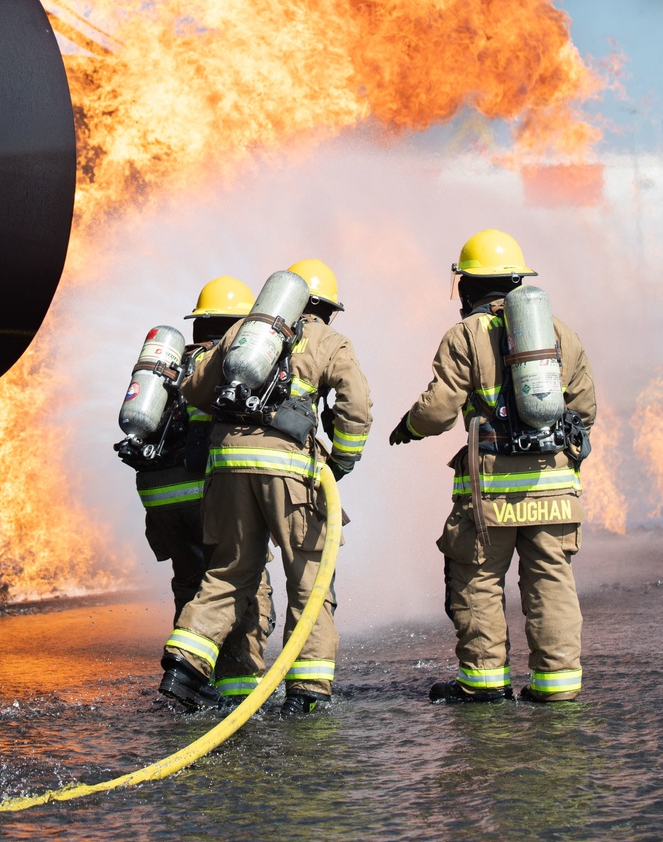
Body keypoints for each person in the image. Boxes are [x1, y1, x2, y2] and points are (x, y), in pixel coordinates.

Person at [389, 229, 596, 704]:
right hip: (553, 489)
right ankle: (557, 685)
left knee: (477, 581)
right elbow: (585, 412)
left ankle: (484, 685)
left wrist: (409, 427)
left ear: (465, 287)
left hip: (492, 496)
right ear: (517, 280)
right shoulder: (561, 333)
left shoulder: (464, 336)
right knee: (551, 583)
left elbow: (439, 410)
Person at [159, 259, 373, 717]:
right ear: (323, 307)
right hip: (290, 472)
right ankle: (307, 691)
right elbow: (357, 407)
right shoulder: (330, 340)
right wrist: (341, 461)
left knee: (229, 572)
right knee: (308, 578)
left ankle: (183, 668)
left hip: (228, 469)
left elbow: (195, 391)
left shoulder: (243, 331)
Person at [118, 275, 274, 705]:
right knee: (241, 584)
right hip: (208, 496)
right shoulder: (235, 365)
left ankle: (191, 688)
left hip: (162, 503)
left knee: (191, 586)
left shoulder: (167, 367)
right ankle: (238, 693)